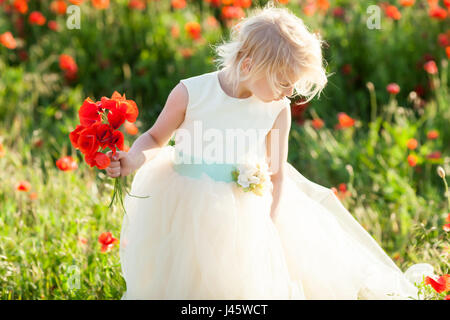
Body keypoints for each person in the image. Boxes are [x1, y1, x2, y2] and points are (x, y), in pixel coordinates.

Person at [105, 2, 433, 299]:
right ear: (248, 65)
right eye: (283, 81)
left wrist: (268, 220)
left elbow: (276, 173)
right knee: (184, 279)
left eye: (293, 85)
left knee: (239, 286)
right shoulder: (191, 93)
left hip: (247, 210)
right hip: (184, 203)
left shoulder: (277, 109)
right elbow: (154, 138)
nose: (289, 91)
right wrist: (131, 159)